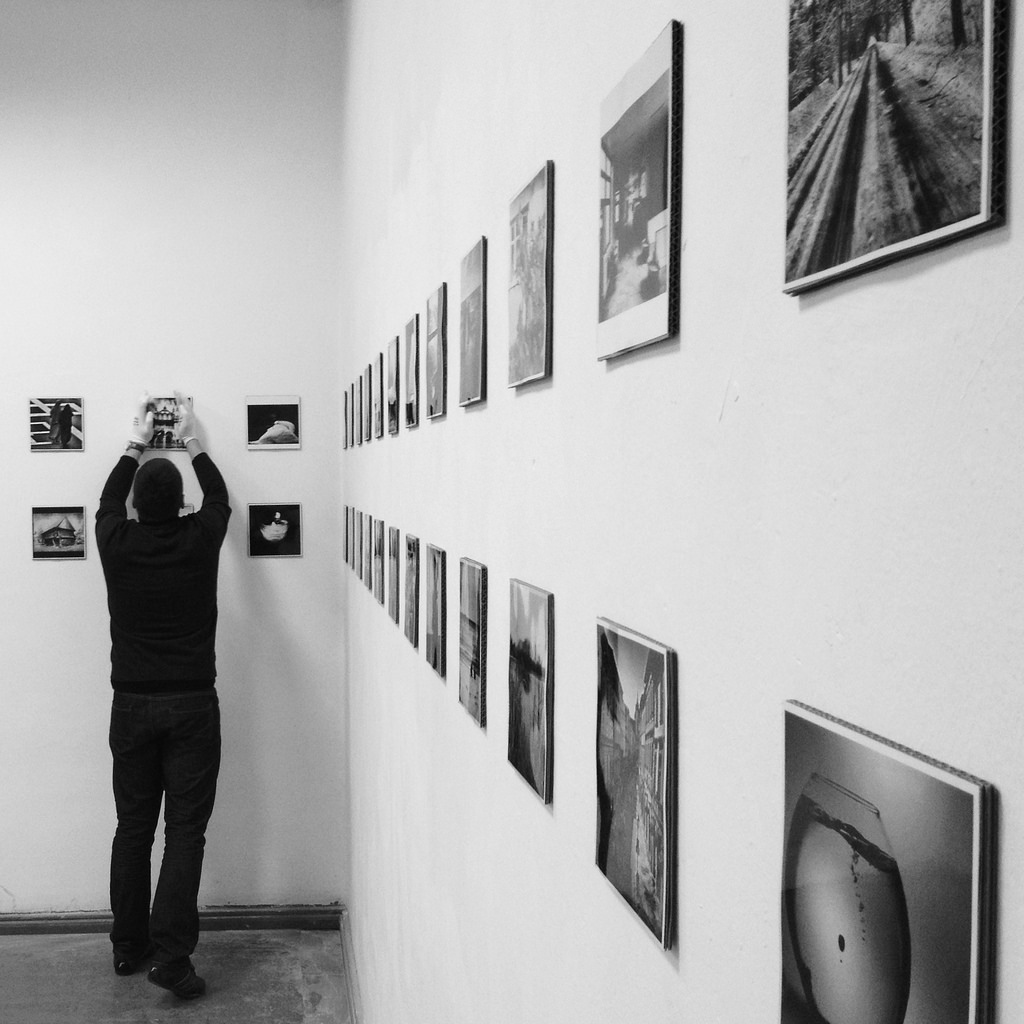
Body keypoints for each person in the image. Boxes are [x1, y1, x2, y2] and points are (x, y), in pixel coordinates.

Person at [95, 392, 231, 1000]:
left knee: (132, 827)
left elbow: (104, 502)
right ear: (180, 503)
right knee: (184, 833)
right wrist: (193, 441)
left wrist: (135, 442)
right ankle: (172, 959)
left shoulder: (115, 542)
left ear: (133, 505)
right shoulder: (199, 539)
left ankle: (129, 948)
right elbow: (221, 500)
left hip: (131, 705)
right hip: (191, 705)